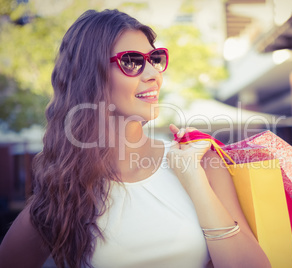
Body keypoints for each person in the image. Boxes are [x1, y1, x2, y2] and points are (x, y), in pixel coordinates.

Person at [0, 9, 270, 268]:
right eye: (131, 62)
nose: (154, 74)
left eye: (154, 59)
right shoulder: (64, 187)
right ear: (89, 76)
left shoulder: (199, 160)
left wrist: (195, 181)